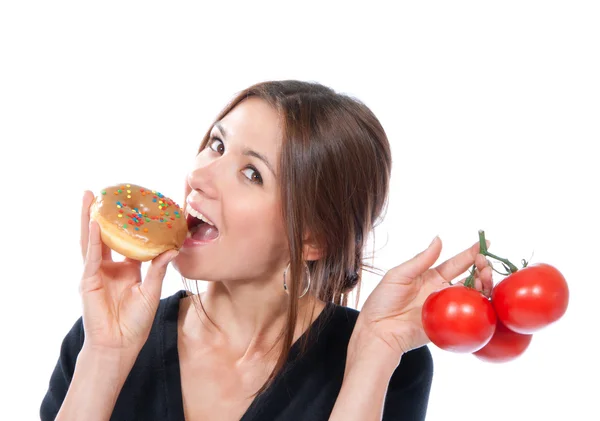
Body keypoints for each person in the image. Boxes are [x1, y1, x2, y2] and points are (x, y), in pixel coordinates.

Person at [40, 80, 493, 421]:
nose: (200, 177)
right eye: (216, 144)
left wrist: (372, 357)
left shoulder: (393, 363)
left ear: (314, 238)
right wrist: (106, 356)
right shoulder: (98, 339)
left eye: (251, 173)